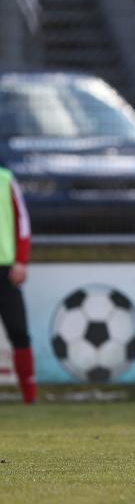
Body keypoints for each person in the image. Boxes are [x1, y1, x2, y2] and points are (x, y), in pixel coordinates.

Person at [0, 166, 36, 404]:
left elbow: (22, 220)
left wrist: (21, 260)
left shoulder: (5, 179)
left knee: (19, 331)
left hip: (6, 269)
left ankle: (29, 397)